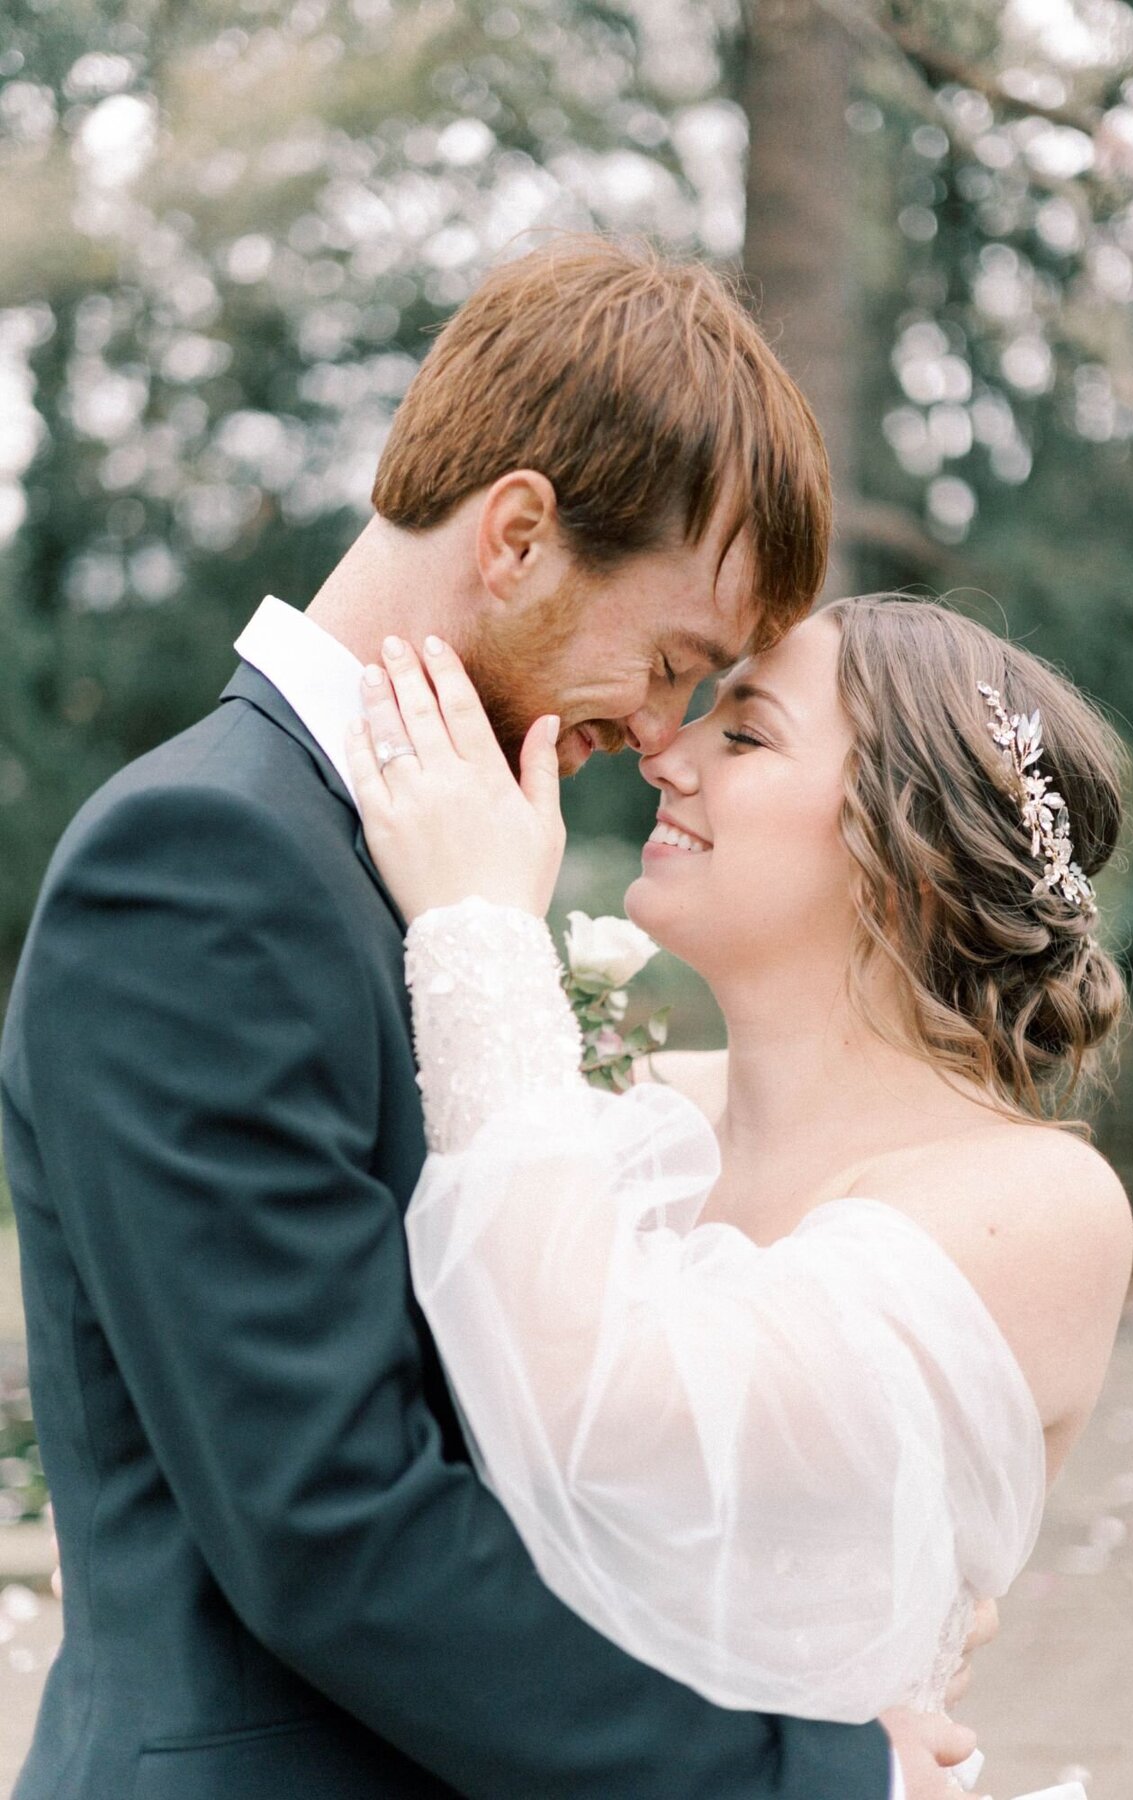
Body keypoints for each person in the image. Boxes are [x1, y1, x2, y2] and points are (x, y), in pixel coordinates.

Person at [0, 240, 973, 1800]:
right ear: (517, 534)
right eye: (669, 663)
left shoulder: (395, 862)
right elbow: (334, 1527)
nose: (661, 736)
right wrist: (809, 1774)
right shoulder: (200, 864)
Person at [344, 595, 1133, 1800]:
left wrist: (479, 931)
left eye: (747, 734)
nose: (666, 750)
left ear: (906, 846)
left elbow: (590, 1414)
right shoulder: (618, 1110)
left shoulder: (1034, 1201)